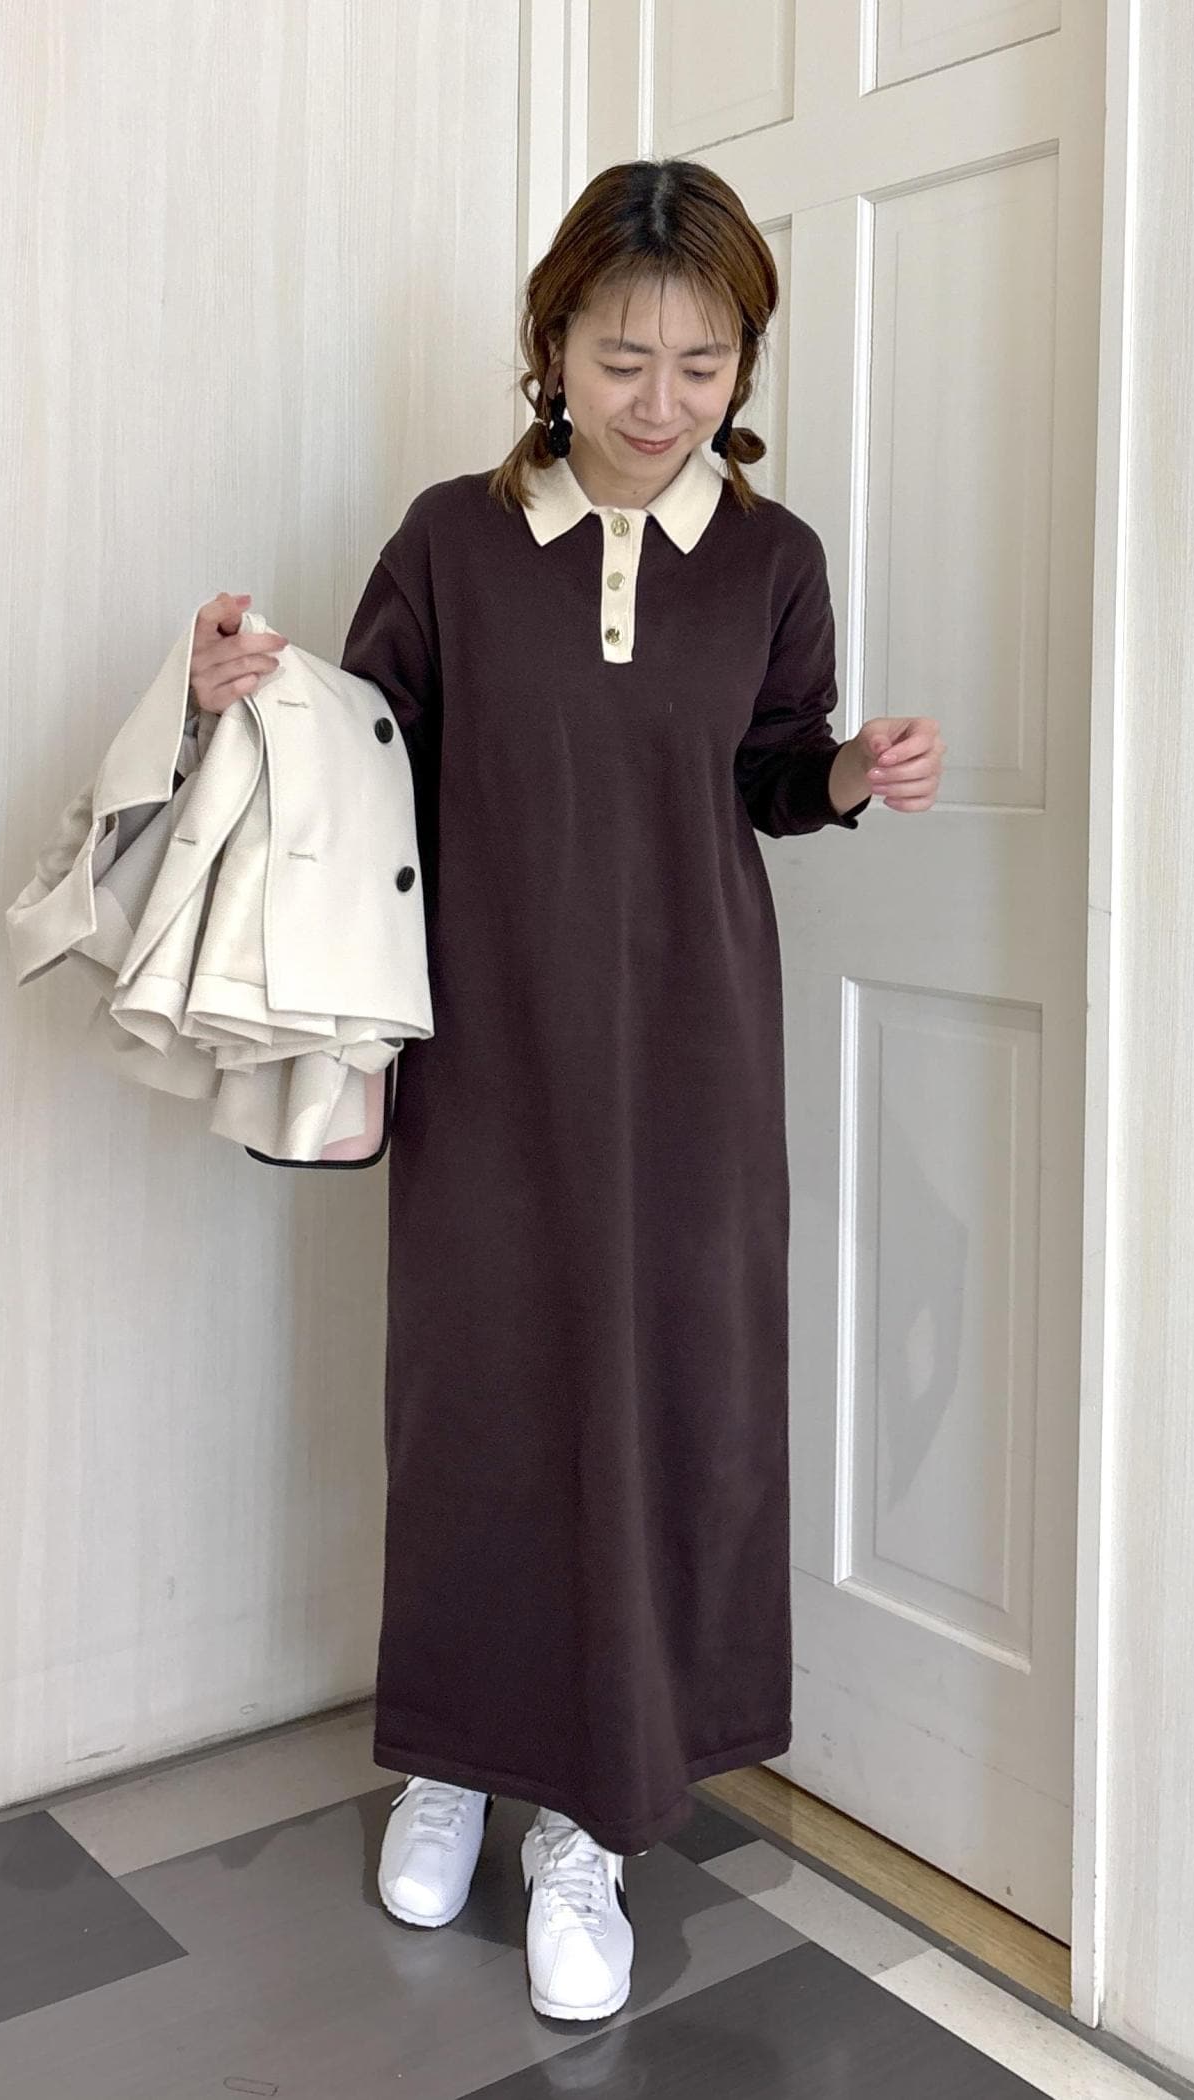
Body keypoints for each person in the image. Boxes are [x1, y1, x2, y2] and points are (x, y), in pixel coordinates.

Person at [188, 157, 944, 2024]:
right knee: (481, 1412)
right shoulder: (453, 541)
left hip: (694, 1060)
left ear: (743, 359)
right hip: (490, 1048)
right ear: (549, 344)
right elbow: (357, 750)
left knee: (667, 1412)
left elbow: (766, 770)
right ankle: (455, 1757)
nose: (661, 399)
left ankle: (593, 1828)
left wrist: (844, 775)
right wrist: (230, 699)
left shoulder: (772, 561)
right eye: (622, 358)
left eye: (703, 362)